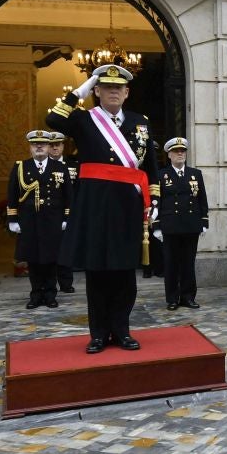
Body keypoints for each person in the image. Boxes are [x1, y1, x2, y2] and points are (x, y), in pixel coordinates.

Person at [47, 64, 151, 353]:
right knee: (97, 273)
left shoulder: (139, 122)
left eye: (119, 88)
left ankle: (122, 330)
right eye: (106, 87)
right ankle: (98, 334)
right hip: (94, 206)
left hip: (128, 206)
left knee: (124, 274)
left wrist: (152, 201)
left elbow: (150, 165)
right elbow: (53, 118)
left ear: (127, 92)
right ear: (97, 91)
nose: (113, 91)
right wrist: (79, 90)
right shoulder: (83, 119)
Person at [7, 129, 71, 309]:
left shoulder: (60, 167)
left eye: (43, 144)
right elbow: (12, 194)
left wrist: (67, 217)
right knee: (33, 259)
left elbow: (68, 196)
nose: (39, 147)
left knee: (51, 259)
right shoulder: (21, 167)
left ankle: (50, 294)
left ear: (49, 147)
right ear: (30, 148)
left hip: (53, 220)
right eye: (36, 145)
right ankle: (36, 294)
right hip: (29, 221)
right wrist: (12, 219)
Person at [152, 136, 209, 309]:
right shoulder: (161, 175)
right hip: (170, 226)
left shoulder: (195, 174)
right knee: (171, 264)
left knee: (188, 264)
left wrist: (204, 221)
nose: (180, 154)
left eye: (182, 151)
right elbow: (156, 202)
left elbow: (202, 200)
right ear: (168, 155)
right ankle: (172, 299)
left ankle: (188, 297)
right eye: (176, 151)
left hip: (191, 225)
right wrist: (156, 226)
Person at [47, 136, 77, 294]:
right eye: (51, 145)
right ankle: (50, 284)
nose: (54, 148)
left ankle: (66, 282)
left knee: (66, 248)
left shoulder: (73, 165)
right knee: (51, 249)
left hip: (69, 211)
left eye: (57, 145)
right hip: (50, 213)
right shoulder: (43, 166)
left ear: (63, 146)